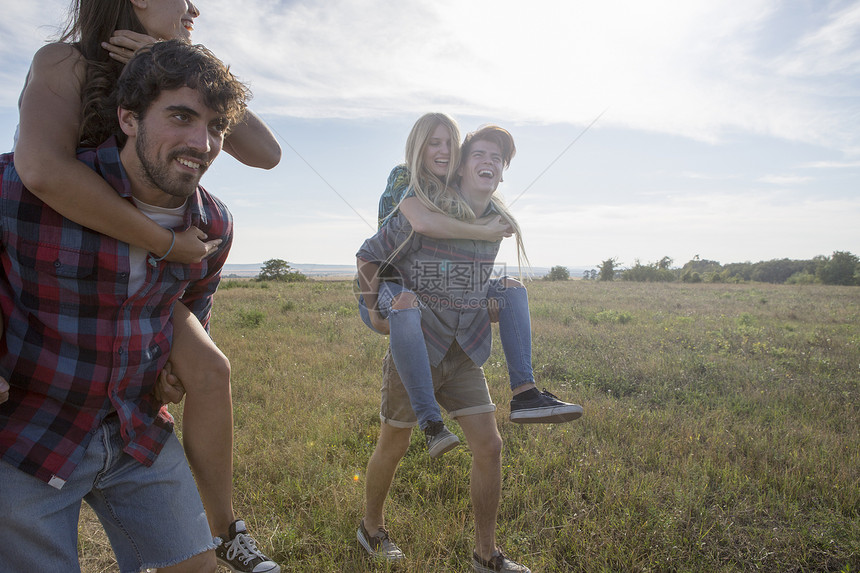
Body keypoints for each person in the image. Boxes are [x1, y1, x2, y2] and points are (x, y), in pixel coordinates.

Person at [12, 1, 280, 570]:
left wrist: (187, 62)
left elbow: (265, 154)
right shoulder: (67, 63)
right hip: (60, 319)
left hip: (140, 337)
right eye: (183, 117)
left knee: (209, 368)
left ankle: (225, 527)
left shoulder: (210, 216)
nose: (194, 7)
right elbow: (40, 170)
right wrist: (161, 242)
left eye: (212, 127)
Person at [356, 125, 534, 572]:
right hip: (414, 343)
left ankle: (485, 554)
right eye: (480, 153)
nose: (489, 162)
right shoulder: (422, 203)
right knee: (394, 444)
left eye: (499, 158)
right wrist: (372, 308)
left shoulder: (493, 218)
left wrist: (489, 302)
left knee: (489, 446)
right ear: (461, 164)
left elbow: (468, 285)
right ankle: (370, 527)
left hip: (461, 352)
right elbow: (370, 252)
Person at [358, 113, 582, 457]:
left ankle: (525, 393)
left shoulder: (462, 200)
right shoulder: (410, 182)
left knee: (510, 288)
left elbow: (457, 273)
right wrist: (374, 312)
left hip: (429, 299)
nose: (444, 151)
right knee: (405, 302)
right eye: (434, 143)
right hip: (387, 277)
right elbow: (420, 223)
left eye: (450, 143)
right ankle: (430, 423)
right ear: (419, 147)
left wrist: (479, 303)